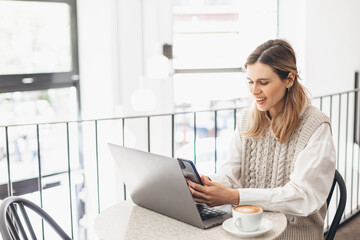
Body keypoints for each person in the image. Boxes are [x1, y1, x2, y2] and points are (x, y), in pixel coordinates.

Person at [187, 39, 336, 239]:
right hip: (248, 228)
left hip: (292, 235)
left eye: (263, 83)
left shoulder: (316, 126)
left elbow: (301, 197)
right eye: (250, 81)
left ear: (289, 80)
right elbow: (231, 176)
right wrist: (204, 183)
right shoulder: (246, 120)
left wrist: (236, 197)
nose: (254, 91)